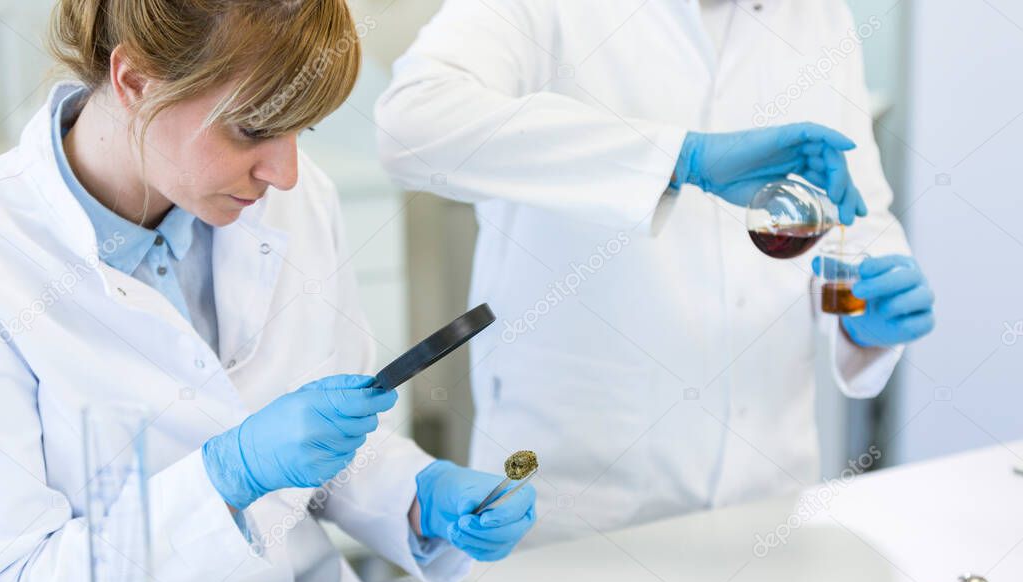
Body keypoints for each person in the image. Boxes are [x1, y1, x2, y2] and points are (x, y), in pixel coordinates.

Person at [0, 0, 534, 582]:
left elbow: (328, 445)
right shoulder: (12, 257)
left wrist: (419, 496)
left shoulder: (295, 201)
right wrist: (228, 476)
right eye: (253, 129)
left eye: (300, 131)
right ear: (135, 81)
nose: (284, 171)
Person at [375, 0, 935, 544]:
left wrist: (860, 310)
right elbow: (412, 124)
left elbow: (852, 209)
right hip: (580, 505)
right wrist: (674, 158)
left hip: (771, 489)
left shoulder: (817, 13)